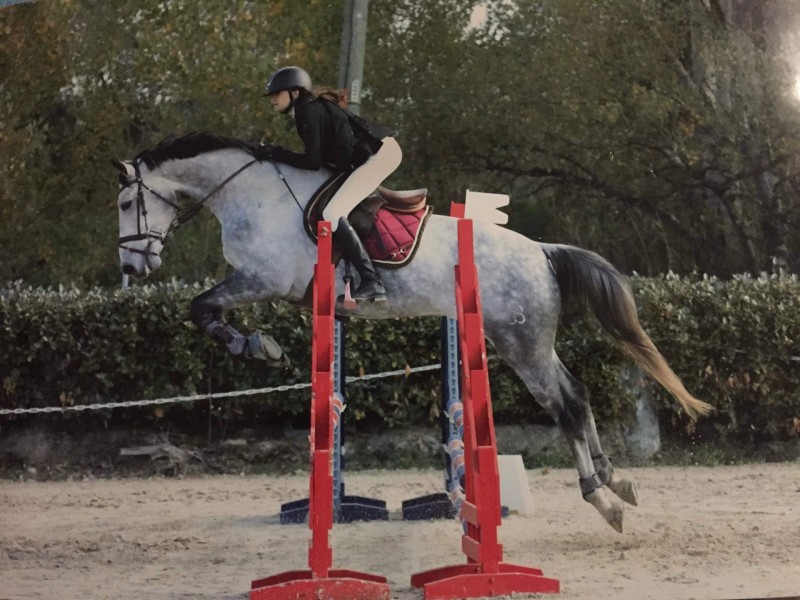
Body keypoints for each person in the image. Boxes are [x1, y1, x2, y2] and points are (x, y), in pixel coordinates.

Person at [254, 66, 401, 304]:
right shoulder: (307, 109)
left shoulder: (307, 112)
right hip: (374, 153)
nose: (272, 99)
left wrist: (275, 153)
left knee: (332, 212)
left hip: (381, 155)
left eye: (277, 93)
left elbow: (313, 162)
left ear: (294, 92)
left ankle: (372, 282)